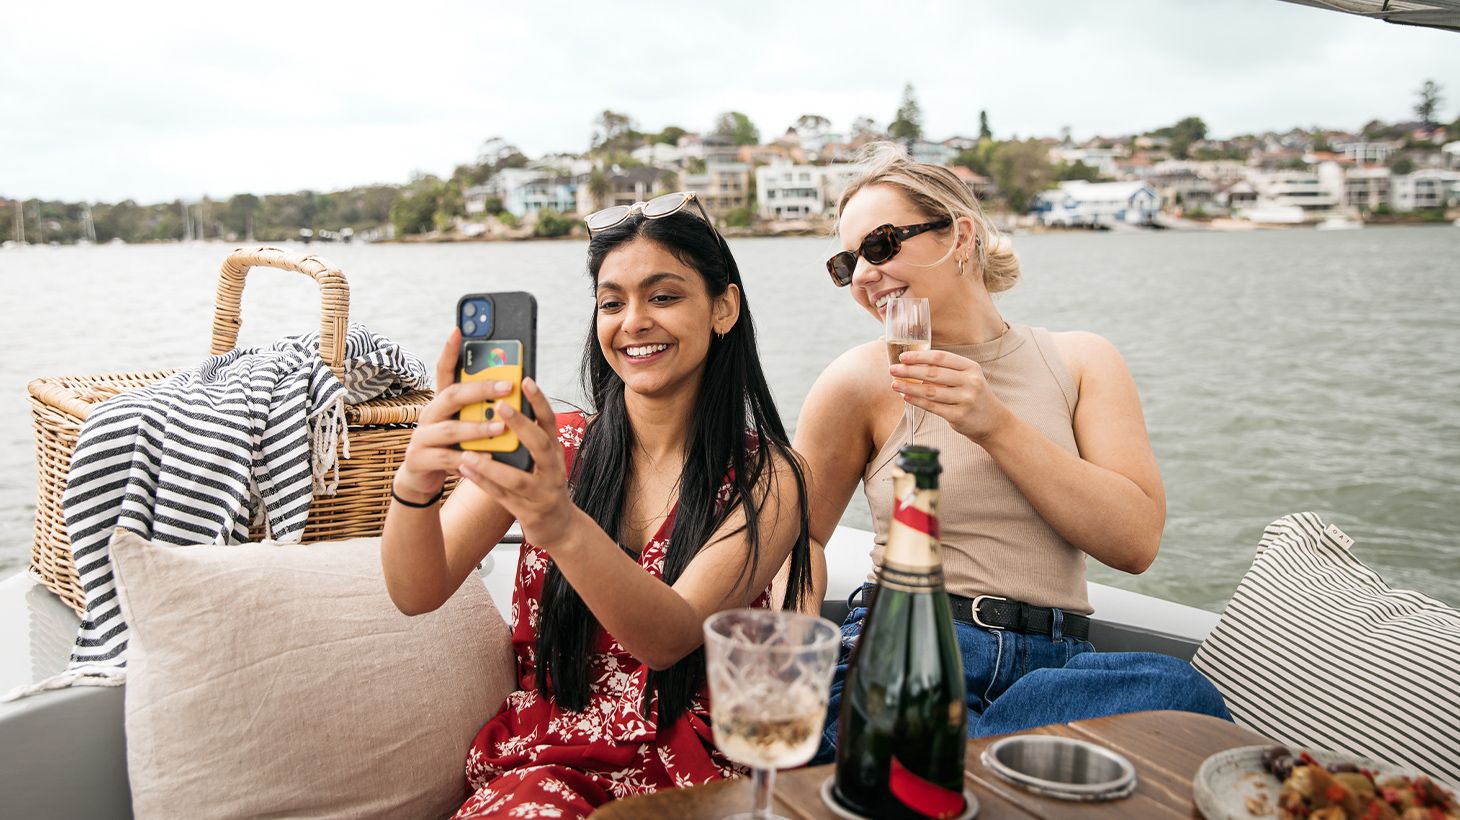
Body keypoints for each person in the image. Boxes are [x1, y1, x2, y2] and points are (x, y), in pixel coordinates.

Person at [380, 192, 814, 819]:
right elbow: (415, 590)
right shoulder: (549, 444)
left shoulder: (769, 477)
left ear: (723, 308)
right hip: (544, 767)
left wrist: (555, 519)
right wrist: (417, 479)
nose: (633, 321)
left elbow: (667, 638)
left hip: (695, 774)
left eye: (663, 297)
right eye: (612, 302)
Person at [795, 144, 1229, 762]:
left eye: (881, 244)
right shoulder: (858, 380)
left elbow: (1134, 544)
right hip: (908, 642)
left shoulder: (1081, 361)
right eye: (847, 261)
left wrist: (995, 424)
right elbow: (798, 541)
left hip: (1056, 667)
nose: (863, 274)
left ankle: (968, 766)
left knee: (1179, 692)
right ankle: (993, 767)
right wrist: (795, 660)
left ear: (960, 236)